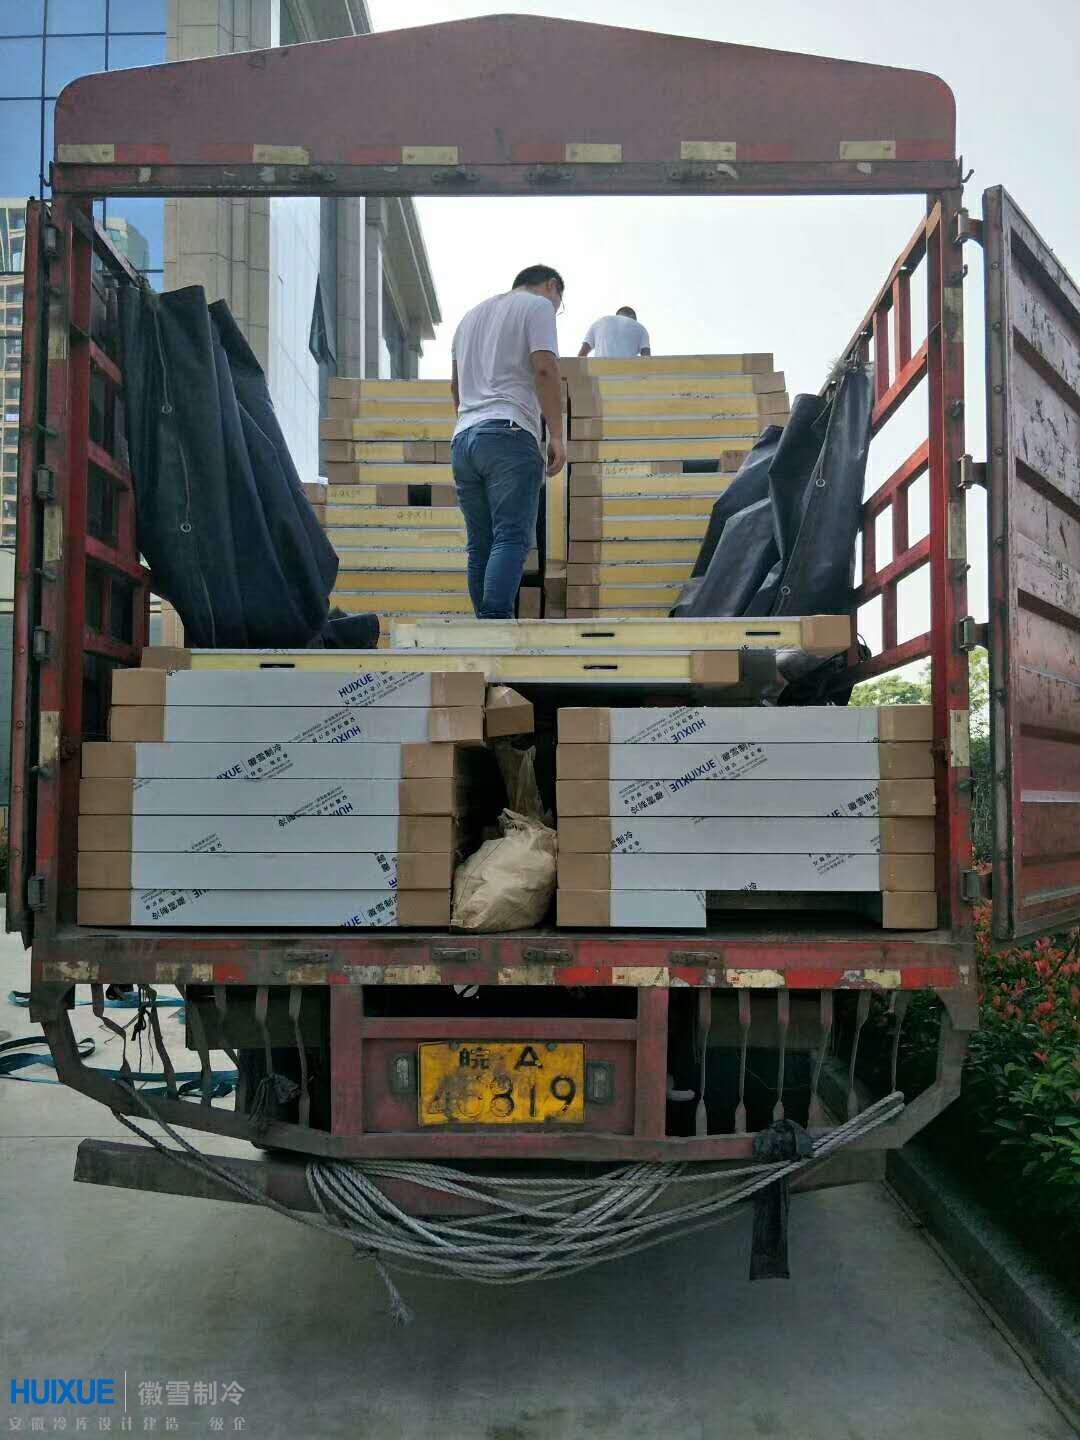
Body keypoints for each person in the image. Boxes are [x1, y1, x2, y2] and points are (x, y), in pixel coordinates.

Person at [450, 264, 566, 619]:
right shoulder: (538, 307)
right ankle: (495, 627)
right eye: (559, 303)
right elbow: (545, 368)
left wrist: (472, 420)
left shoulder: (469, 318)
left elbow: (455, 387)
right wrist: (557, 435)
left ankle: (485, 629)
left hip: (464, 438)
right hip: (509, 433)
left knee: (480, 545)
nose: (556, 310)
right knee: (511, 537)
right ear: (551, 286)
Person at [578, 306, 651, 359]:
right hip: (627, 373)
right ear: (633, 317)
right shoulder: (640, 328)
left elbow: (582, 354)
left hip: (599, 372)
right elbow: (647, 359)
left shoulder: (600, 322)